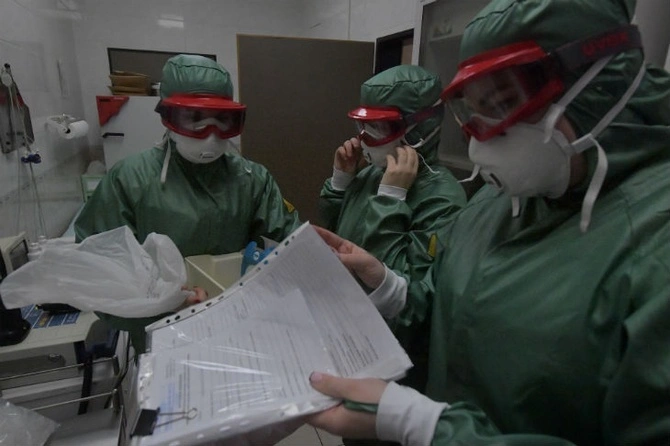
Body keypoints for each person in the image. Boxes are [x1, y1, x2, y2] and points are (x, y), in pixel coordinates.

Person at [304, 0, 670, 445]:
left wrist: (430, 427)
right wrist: (391, 288)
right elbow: (448, 305)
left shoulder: (654, 243)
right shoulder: (494, 203)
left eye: (504, 103)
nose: (481, 141)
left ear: (599, 84)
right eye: (474, 110)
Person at [75, 54, 301, 353]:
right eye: (195, 119)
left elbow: (290, 246)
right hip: (162, 336)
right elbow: (100, 270)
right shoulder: (129, 180)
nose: (211, 135)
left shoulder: (252, 179)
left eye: (222, 120)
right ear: (167, 117)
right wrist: (165, 304)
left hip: (238, 328)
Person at [319, 66, 466, 395]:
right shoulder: (371, 174)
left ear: (419, 128)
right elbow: (338, 233)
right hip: (350, 331)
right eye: (362, 126)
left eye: (379, 127)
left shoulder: (441, 196)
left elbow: (407, 294)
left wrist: (390, 199)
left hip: (397, 355)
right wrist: (340, 184)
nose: (364, 139)